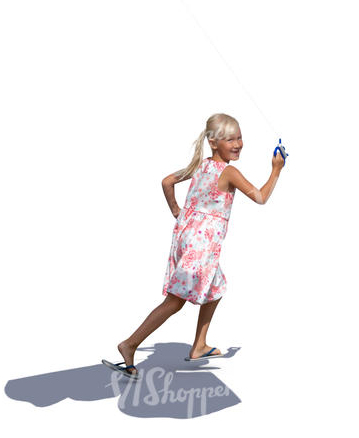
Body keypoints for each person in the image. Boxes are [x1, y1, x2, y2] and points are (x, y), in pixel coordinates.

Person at [104, 112, 285, 379]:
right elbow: (260, 197)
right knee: (175, 301)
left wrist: (178, 211)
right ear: (214, 142)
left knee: (216, 287)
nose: (238, 144)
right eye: (230, 139)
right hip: (202, 243)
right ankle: (129, 344)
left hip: (188, 236)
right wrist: (276, 169)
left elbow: (167, 182)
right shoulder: (229, 171)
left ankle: (199, 345)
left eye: (239, 138)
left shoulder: (201, 165)